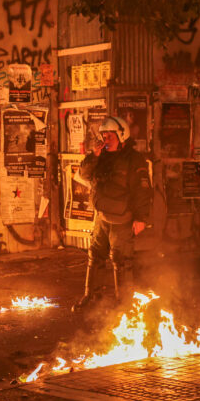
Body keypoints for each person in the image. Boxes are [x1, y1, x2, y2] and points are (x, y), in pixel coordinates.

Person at [73, 116, 152, 311]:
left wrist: (141, 218)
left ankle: (124, 304)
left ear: (121, 135)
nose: (106, 140)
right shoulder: (101, 157)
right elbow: (83, 175)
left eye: (110, 136)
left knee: (121, 260)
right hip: (102, 217)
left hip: (122, 218)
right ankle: (91, 296)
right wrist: (94, 155)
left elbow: (143, 190)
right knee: (95, 255)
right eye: (104, 136)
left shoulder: (134, 159)